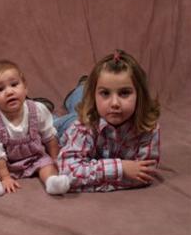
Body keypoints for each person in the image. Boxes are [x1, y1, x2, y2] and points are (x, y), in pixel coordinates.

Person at [57, 49, 160, 192]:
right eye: (105, 93)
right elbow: (68, 174)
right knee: (49, 123)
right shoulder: (81, 127)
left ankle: (82, 88)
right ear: (94, 96)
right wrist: (120, 168)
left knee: (82, 103)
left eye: (124, 93)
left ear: (140, 95)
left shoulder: (148, 128)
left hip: (96, 109)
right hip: (79, 120)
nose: (115, 103)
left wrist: (89, 180)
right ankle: (78, 90)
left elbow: (143, 177)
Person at [0, 59, 70, 200]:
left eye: (14, 84)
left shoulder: (37, 109)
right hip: (7, 164)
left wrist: (56, 159)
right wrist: (5, 177)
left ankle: (52, 182)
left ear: (25, 87)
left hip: (35, 158)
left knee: (47, 164)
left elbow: (49, 137)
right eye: (0, 89)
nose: (9, 92)